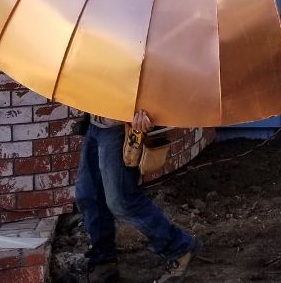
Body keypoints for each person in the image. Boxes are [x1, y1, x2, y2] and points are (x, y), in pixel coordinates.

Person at [77, 110, 200, 283]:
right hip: (95, 124)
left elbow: (153, 88)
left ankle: (179, 247)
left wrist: (150, 113)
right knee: (89, 195)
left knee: (122, 202)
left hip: (120, 129)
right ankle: (103, 261)